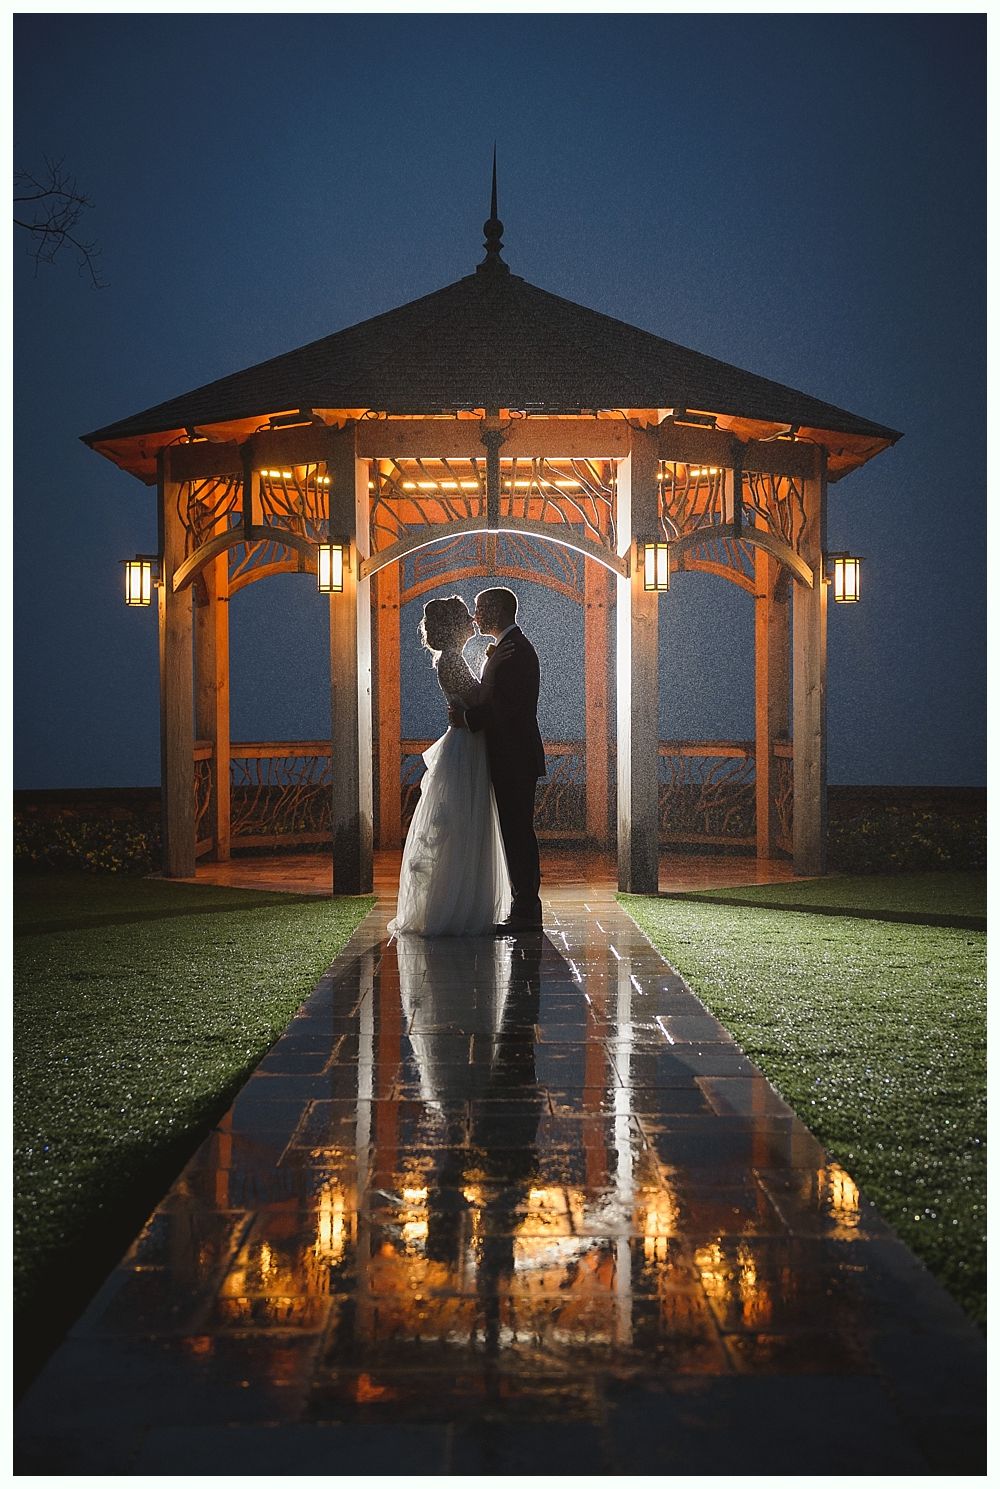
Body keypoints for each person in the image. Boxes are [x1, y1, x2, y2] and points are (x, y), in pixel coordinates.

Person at [388, 596, 512, 937]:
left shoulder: (450, 659)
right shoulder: (453, 661)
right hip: (467, 746)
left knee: (463, 822)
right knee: (463, 822)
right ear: (455, 626)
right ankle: (459, 905)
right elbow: (478, 699)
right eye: (465, 617)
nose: (473, 620)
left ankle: (461, 901)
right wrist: (492, 669)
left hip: (465, 742)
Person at [449, 587, 545, 934]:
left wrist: (468, 721)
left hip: (515, 756)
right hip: (508, 755)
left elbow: (510, 708)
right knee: (513, 832)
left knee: (518, 832)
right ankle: (523, 907)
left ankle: (527, 911)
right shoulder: (507, 648)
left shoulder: (516, 651)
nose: (475, 615)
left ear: (499, 610)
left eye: (480, 608)